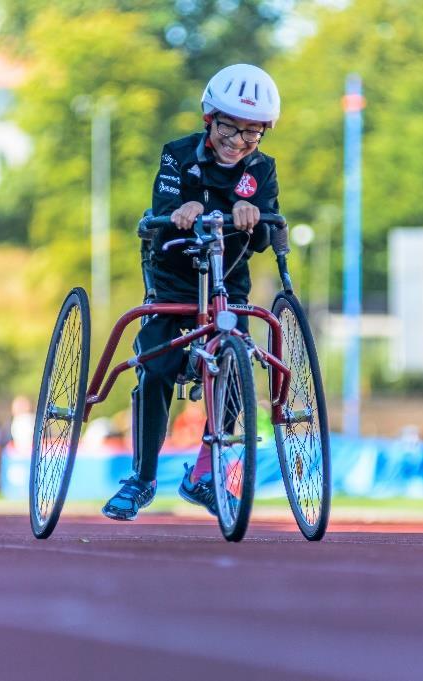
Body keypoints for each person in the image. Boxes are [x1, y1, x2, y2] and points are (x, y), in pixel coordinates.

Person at [102, 63, 281, 521]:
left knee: (240, 362)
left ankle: (204, 472)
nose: (238, 141)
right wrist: (184, 208)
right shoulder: (176, 154)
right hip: (173, 282)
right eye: (228, 126)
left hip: (228, 286)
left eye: (251, 133)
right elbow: (161, 212)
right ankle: (141, 479)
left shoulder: (262, 169)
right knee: (158, 365)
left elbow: (265, 234)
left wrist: (251, 214)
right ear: (209, 119)